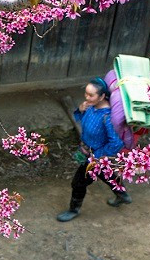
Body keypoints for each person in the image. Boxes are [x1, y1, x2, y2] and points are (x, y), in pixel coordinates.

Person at [56, 77, 130, 222]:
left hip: (95, 156)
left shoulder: (107, 117)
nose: (87, 97)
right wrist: (81, 109)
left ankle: (73, 210)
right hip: (87, 151)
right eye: (86, 94)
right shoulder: (90, 107)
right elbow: (80, 119)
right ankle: (122, 195)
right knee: (104, 174)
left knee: (78, 182)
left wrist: (98, 155)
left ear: (102, 96)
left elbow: (116, 143)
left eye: (91, 95)